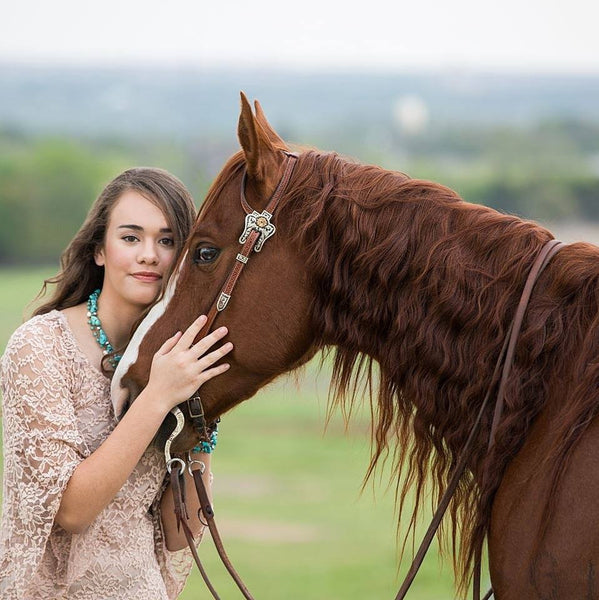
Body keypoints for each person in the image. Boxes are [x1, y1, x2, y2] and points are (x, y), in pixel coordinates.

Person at [0, 167, 233, 599]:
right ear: (99, 251)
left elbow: (180, 534)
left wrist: (204, 417)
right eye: (131, 237)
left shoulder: (174, 361)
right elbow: (72, 510)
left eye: (167, 241)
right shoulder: (39, 347)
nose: (149, 255)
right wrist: (159, 396)